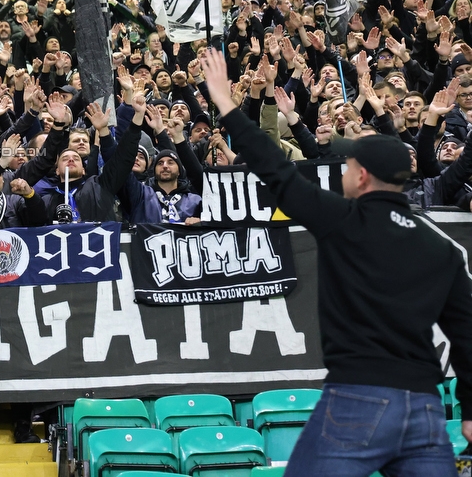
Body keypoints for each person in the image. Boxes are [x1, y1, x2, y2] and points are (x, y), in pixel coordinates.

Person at [199, 48, 472, 475]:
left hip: (358, 399)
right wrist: (470, 410)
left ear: (362, 175)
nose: (343, 166)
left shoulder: (343, 219)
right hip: (425, 408)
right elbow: (467, 335)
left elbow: (276, 170)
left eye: (348, 162)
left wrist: (226, 103)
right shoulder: (441, 247)